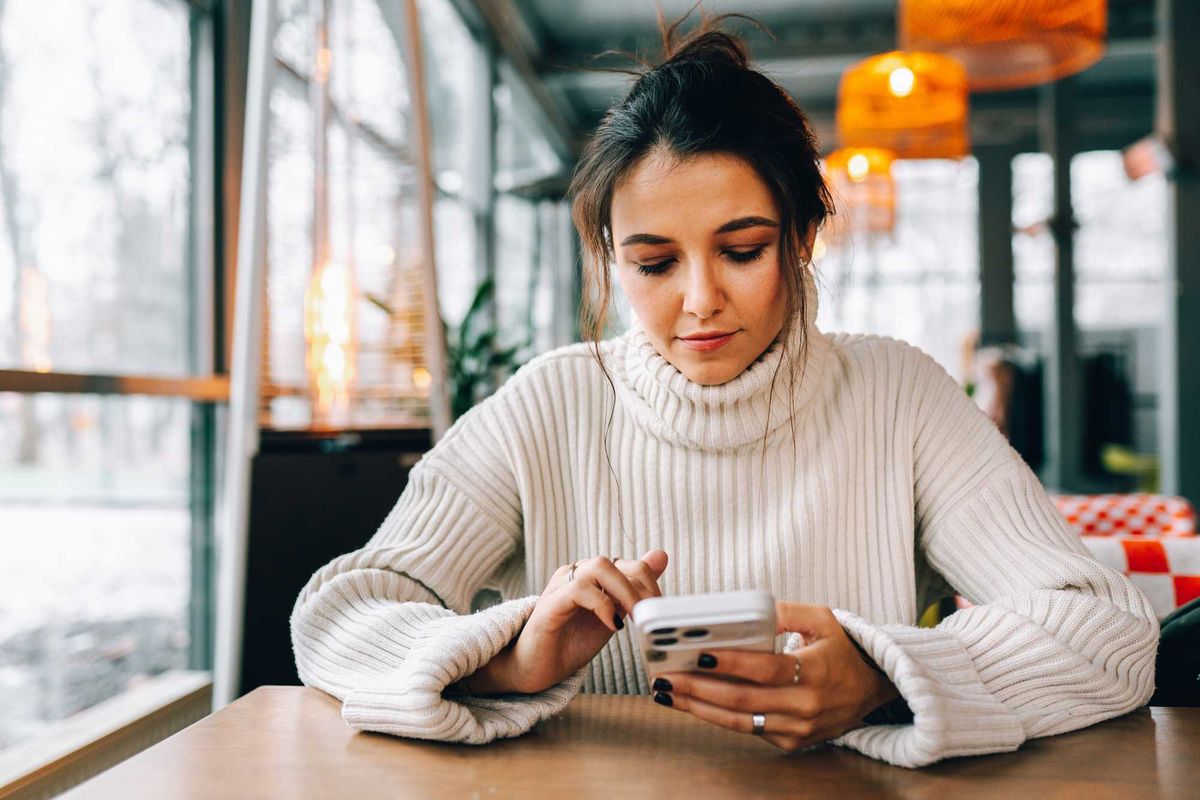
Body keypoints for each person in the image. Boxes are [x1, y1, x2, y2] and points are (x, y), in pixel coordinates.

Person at [290, 25, 1157, 768]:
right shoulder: (547, 405)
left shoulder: (899, 395)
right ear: (612, 259)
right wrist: (510, 660)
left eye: (741, 249)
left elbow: (1107, 632)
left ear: (804, 235)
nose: (699, 299)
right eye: (655, 264)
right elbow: (339, 616)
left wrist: (883, 679)